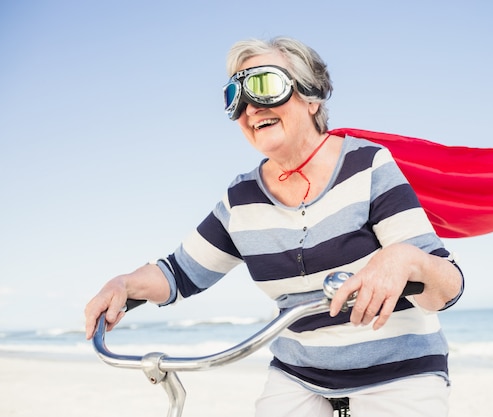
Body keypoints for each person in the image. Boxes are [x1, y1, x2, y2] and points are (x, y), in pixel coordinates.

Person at [84, 36, 464, 417]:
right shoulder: (241, 198)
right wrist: (124, 284)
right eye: (235, 95)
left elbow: (444, 291)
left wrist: (404, 259)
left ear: (311, 95)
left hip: (400, 373)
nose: (249, 108)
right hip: (298, 376)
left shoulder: (367, 165)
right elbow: (179, 274)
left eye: (264, 86)